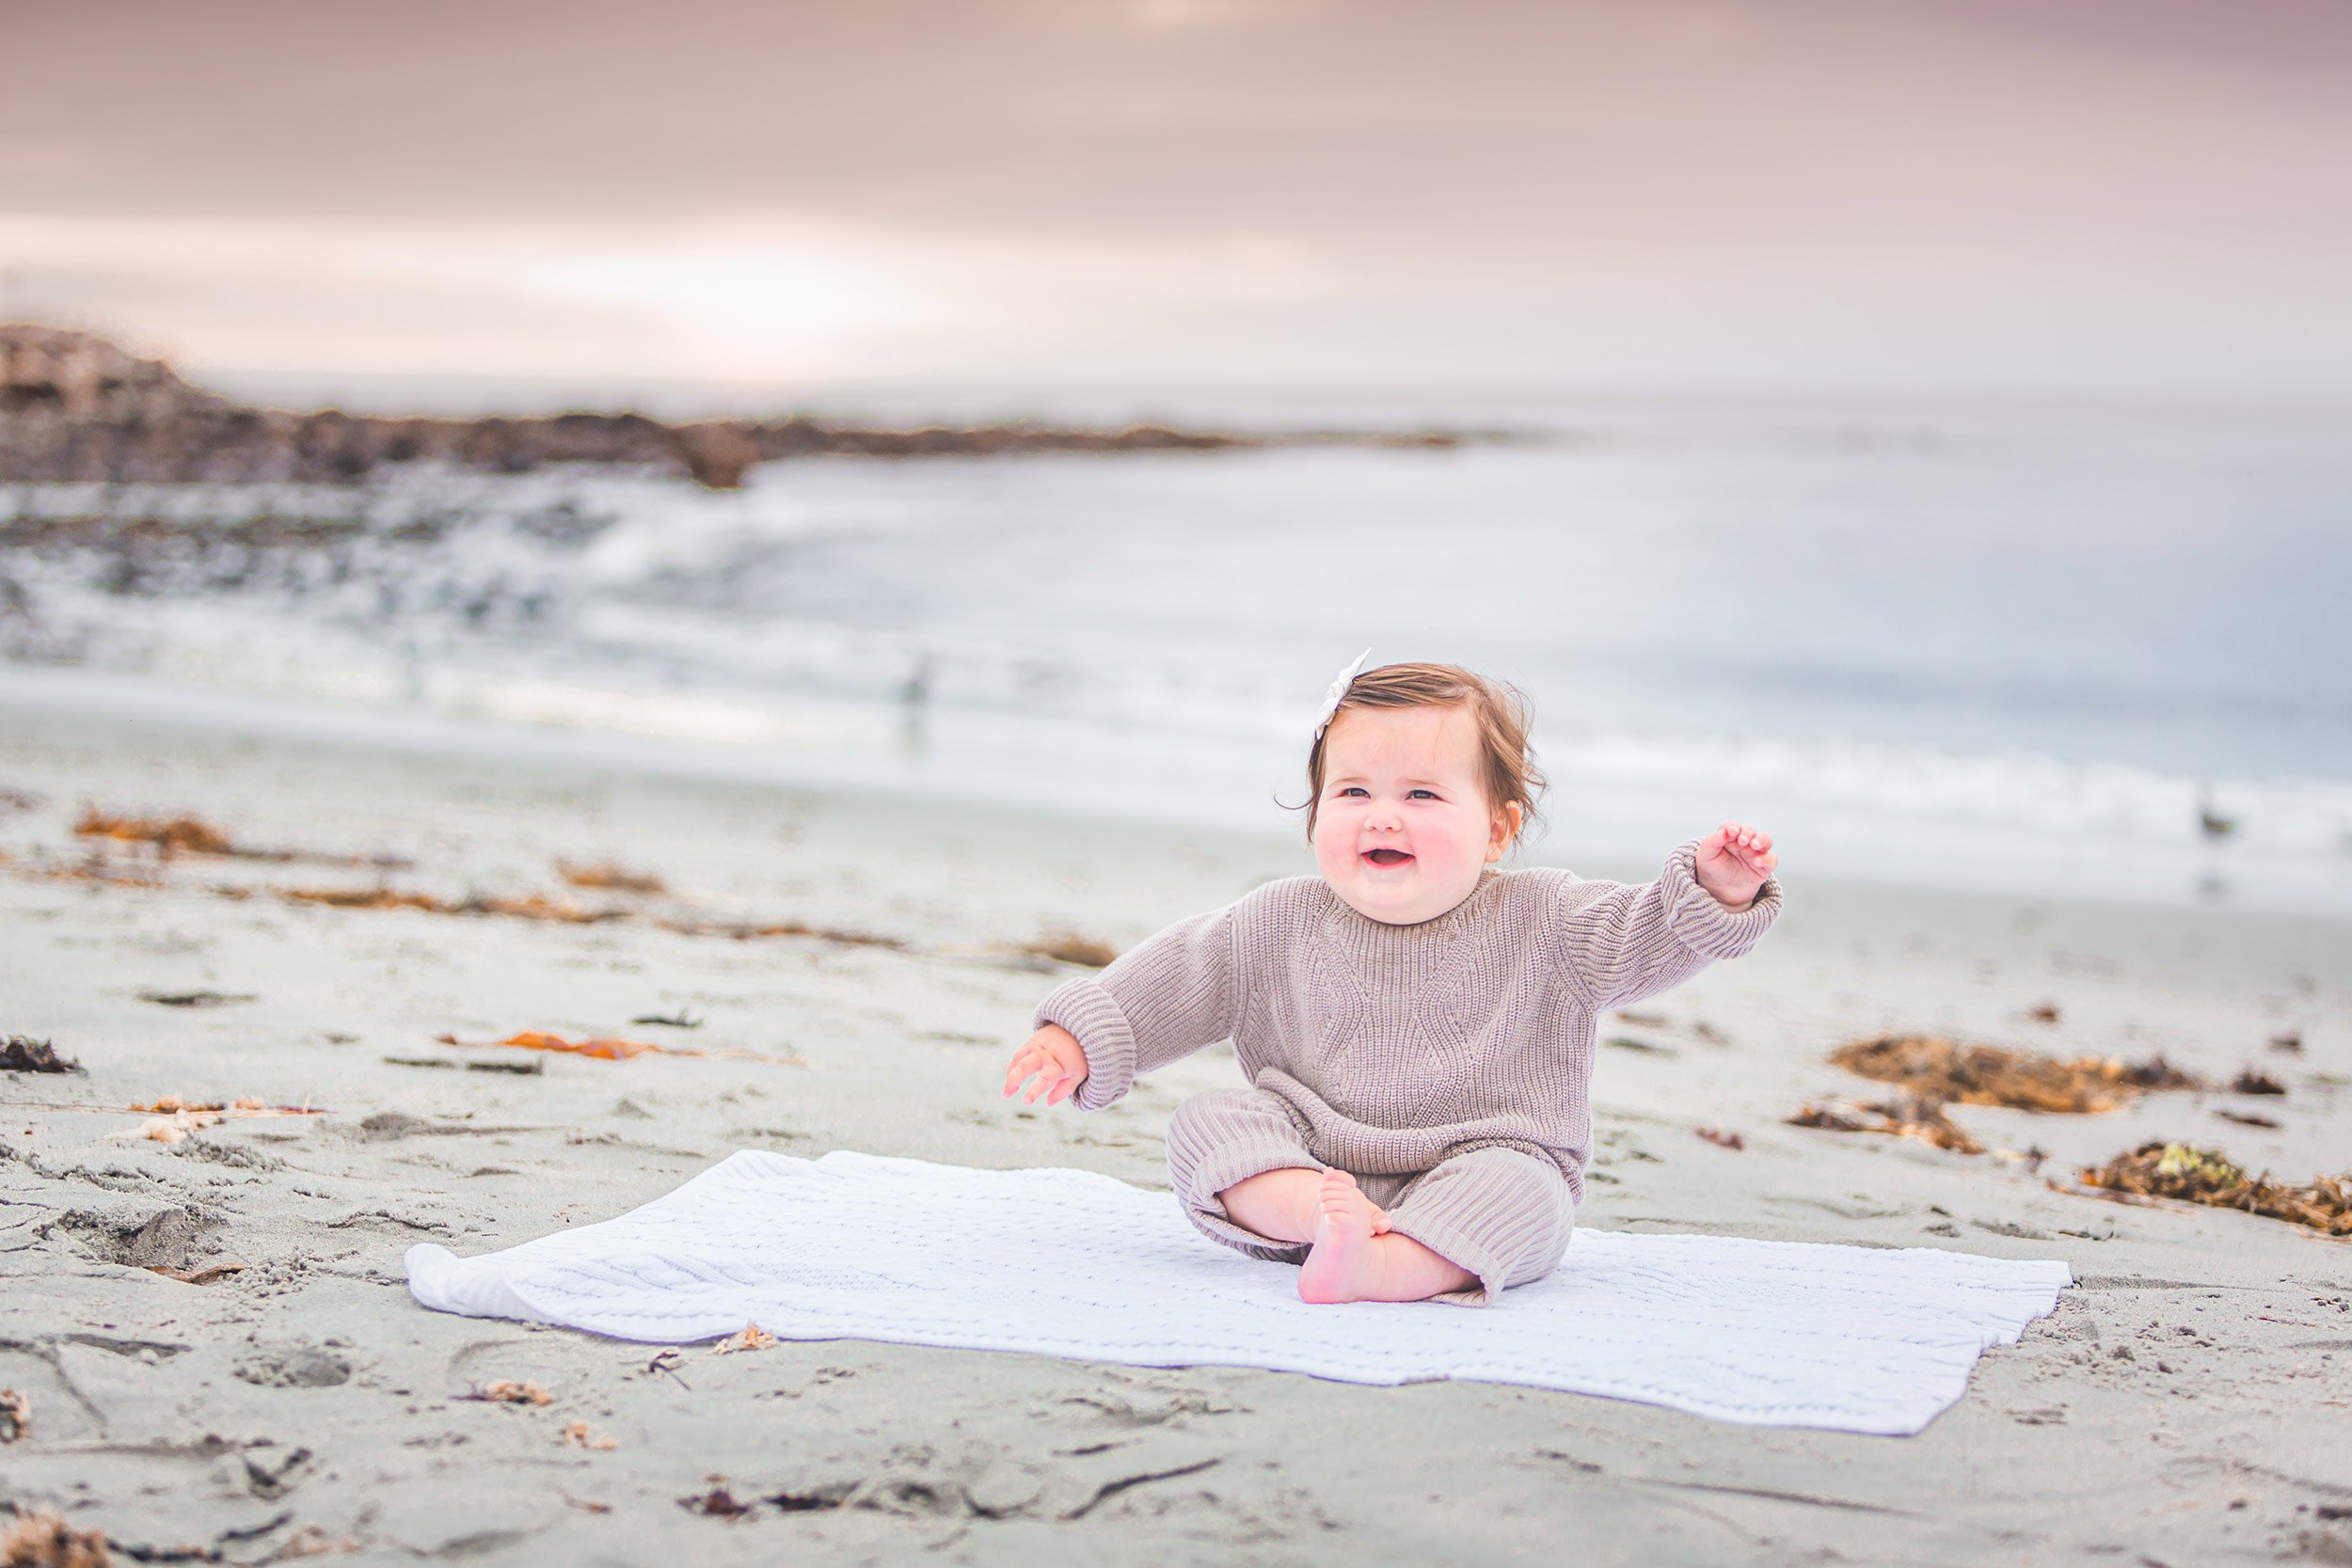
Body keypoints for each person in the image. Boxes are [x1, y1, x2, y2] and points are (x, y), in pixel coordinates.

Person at [1001, 657, 1782, 1307]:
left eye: (1421, 794)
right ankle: (1325, 1221)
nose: (1382, 816)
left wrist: (1714, 892)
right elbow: (1178, 976)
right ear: (1315, 814)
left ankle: (1388, 1263)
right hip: (1312, 1151)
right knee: (1207, 1122)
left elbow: (1644, 937)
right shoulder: (1279, 918)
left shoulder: (1547, 917)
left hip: (1484, 1152)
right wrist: (1083, 1034)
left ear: (1498, 830)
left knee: (1528, 1199)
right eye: (1353, 792)